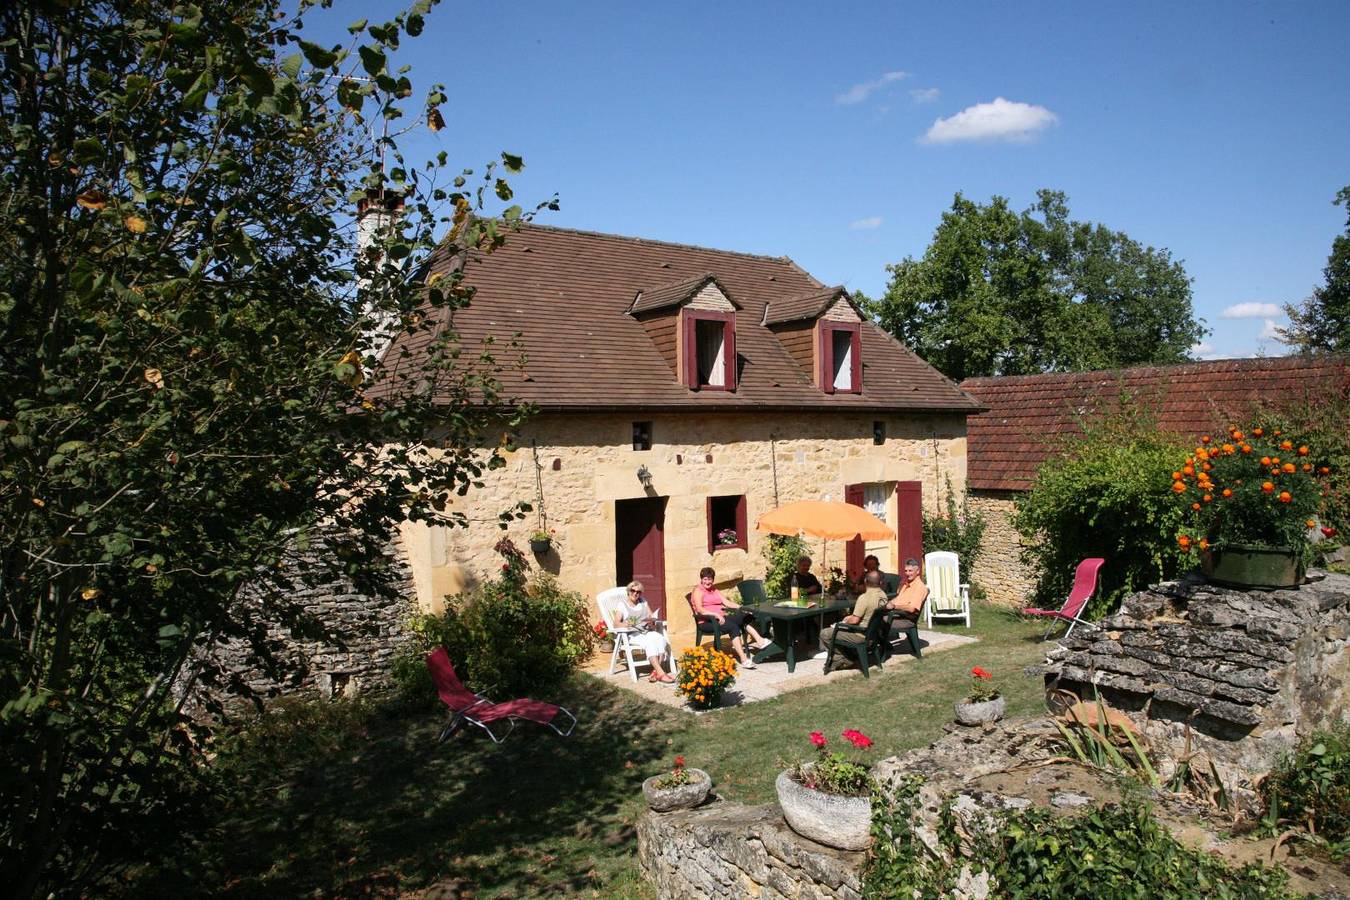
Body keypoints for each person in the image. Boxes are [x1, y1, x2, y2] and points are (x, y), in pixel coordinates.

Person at [690, 566, 767, 668]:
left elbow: (726, 602)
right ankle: (744, 659)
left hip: (720, 618)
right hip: (707, 622)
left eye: (710, 579)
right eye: (705, 579)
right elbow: (700, 609)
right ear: (701, 579)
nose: (707, 582)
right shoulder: (698, 590)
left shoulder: (714, 589)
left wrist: (741, 607)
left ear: (713, 579)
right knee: (733, 627)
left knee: (744, 617)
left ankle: (760, 641)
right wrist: (716, 614)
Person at [820, 569, 886, 669]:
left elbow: (855, 621)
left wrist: (844, 621)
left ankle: (841, 658)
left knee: (825, 633)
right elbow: (868, 614)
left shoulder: (864, 598)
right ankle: (848, 655)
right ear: (880, 582)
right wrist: (851, 617)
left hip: (861, 635)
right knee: (838, 627)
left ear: (865, 581)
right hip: (873, 634)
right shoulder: (883, 596)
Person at [616, 581, 675, 683]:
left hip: (646, 631)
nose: (635, 593)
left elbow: (651, 617)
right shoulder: (622, 605)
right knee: (650, 643)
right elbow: (616, 623)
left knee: (660, 638)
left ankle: (656, 671)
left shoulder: (643, 602)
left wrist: (652, 621)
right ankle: (661, 673)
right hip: (632, 634)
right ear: (628, 591)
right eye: (633, 591)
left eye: (638, 592)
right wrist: (625, 624)